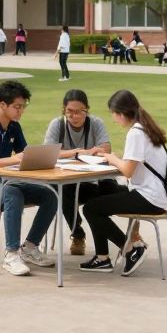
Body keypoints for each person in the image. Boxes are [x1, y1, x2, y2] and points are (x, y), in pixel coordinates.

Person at [0, 80, 57, 276]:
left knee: (50, 194)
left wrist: (55, 156)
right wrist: (12, 159)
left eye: (23, 106)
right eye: (17, 107)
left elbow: (25, 154)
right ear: (2, 105)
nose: (21, 111)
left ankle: (30, 247)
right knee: (12, 193)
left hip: (5, 181)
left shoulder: (14, 127)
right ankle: (11, 254)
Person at [80, 90, 167, 276]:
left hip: (147, 197)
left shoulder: (135, 133)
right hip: (153, 194)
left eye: (113, 113)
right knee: (99, 200)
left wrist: (111, 158)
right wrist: (111, 157)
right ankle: (103, 258)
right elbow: (133, 164)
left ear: (120, 113)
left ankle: (129, 249)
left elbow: (127, 170)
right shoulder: (146, 128)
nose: (113, 119)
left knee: (90, 208)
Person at [43, 89, 118, 256]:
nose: (74, 116)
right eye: (70, 111)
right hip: (68, 183)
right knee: (59, 190)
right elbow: (48, 152)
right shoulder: (57, 124)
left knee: (115, 190)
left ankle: (128, 234)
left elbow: (106, 147)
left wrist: (95, 150)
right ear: (64, 110)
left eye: (79, 112)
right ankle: (77, 234)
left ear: (87, 110)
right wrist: (77, 153)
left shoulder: (96, 123)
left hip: (92, 181)